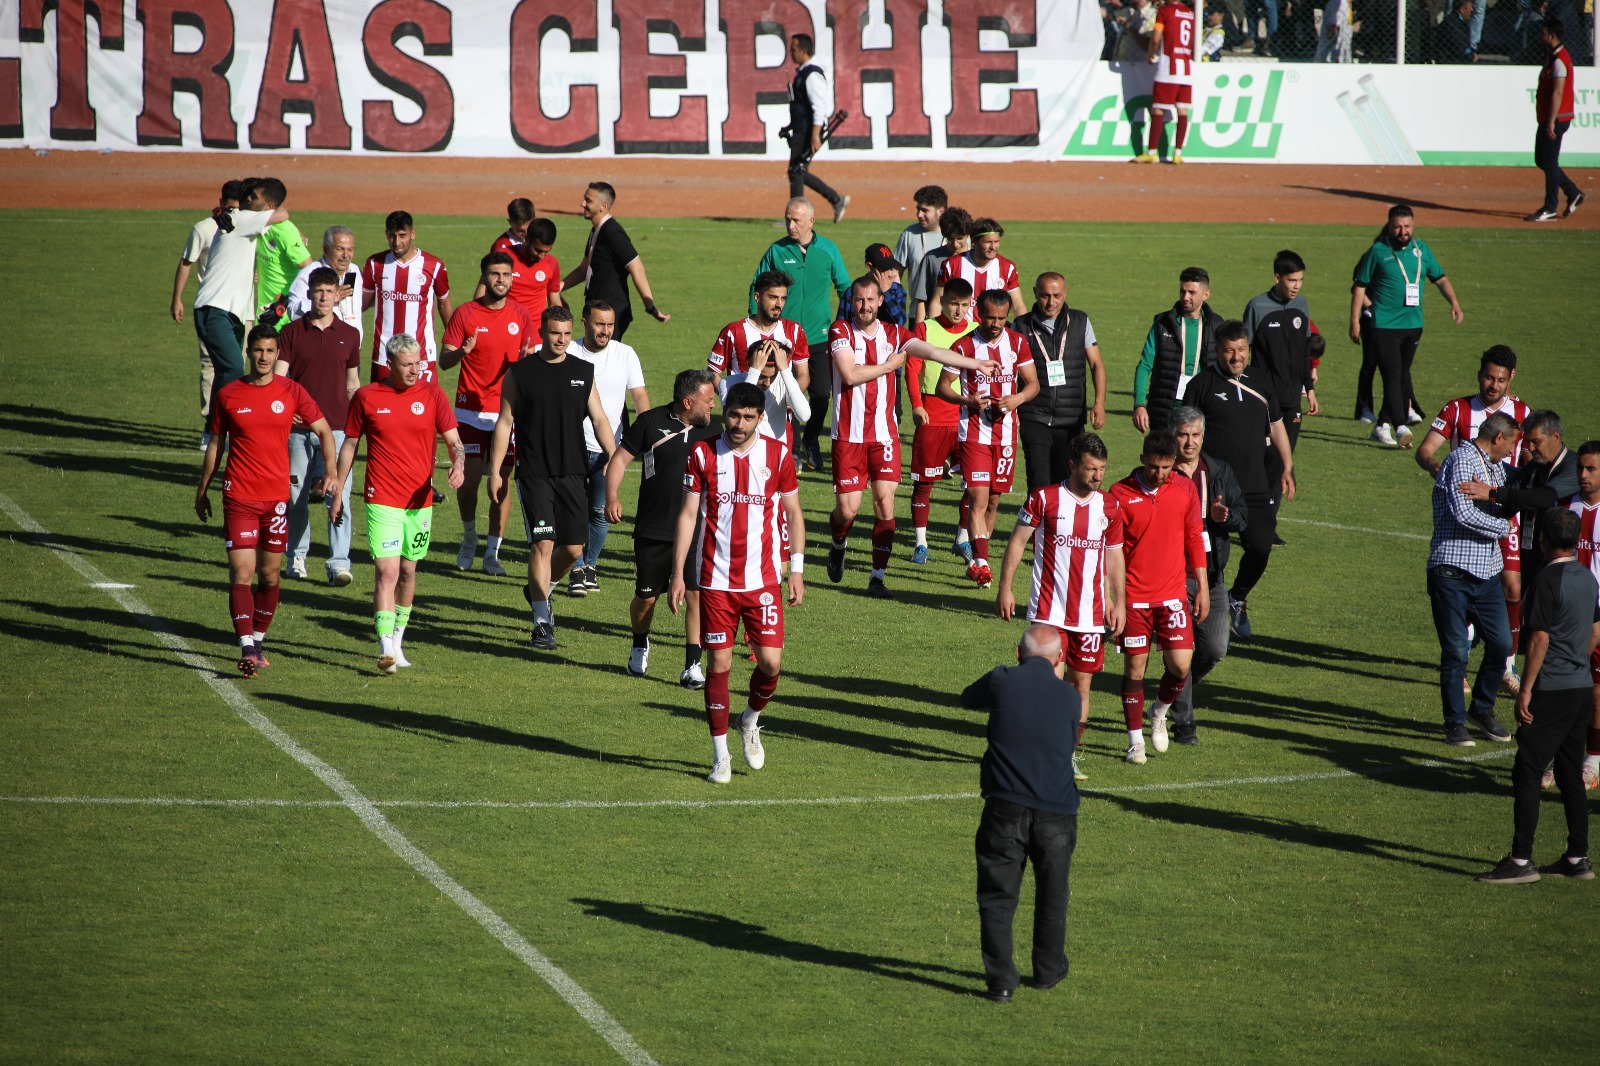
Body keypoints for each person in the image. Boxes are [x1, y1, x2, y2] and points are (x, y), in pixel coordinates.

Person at [670, 381, 806, 784]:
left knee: (771, 663)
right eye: (734, 415)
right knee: (720, 664)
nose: (740, 424)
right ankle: (721, 757)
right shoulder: (702, 453)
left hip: (763, 580)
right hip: (715, 581)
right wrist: (677, 573)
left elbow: (794, 513)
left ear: (761, 418)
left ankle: (749, 719)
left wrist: (797, 569)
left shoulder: (778, 455)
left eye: (748, 417)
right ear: (724, 412)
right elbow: (688, 515)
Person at [828, 278, 992, 597]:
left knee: (884, 504)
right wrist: (888, 365)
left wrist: (975, 363)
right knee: (847, 511)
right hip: (848, 437)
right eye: (859, 300)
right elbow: (849, 375)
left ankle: (877, 578)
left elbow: (933, 351)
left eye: (870, 300)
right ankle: (838, 544)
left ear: (880, 301)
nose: (865, 306)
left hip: (885, 438)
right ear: (853, 302)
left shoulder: (894, 334)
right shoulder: (841, 331)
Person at [194, 325, 338, 677]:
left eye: (270, 351)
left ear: (277, 354)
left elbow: (324, 430)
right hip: (239, 496)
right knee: (241, 572)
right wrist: (202, 489)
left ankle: (257, 642)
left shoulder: (291, 391)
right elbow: (216, 444)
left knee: (270, 575)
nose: (263, 357)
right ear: (249, 352)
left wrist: (332, 472)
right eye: (258, 350)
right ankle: (246, 647)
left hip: (275, 500)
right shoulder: (229, 394)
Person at [1476, 508, 1599, 884]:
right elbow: (1596, 631)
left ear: (1543, 538)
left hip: (1552, 690)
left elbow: (1540, 638)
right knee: (1569, 773)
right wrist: (1577, 661)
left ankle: (1520, 860)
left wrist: (1525, 689)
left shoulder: (1546, 579)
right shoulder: (1587, 577)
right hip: (1580, 687)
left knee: (1528, 770)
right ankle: (1577, 857)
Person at [960, 624, 1082, 1004]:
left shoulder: (1002, 679)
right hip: (1057, 812)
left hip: (1004, 808)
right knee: (1052, 895)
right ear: (1060, 659)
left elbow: (967, 698)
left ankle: (1000, 982)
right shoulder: (1071, 697)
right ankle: (1047, 970)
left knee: (997, 898)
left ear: (1018, 653)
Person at [996, 433, 1126, 780]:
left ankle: (1066, 754)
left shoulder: (1110, 507)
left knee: (1080, 687)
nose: (1098, 476)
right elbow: (1017, 542)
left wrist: (1119, 602)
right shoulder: (1044, 499)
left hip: (1090, 616)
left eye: (1102, 469)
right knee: (1045, 687)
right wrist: (1005, 589)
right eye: (1091, 469)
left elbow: (1114, 557)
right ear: (1072, 465)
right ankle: (1038, 751)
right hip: (1048, 612)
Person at [488, 306, 617, 651]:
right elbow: (504, 423)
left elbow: (600, 419)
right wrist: (496, 471)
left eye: (566, 333)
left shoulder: (582, 372)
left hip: (573, 472)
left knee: (573, 549)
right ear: (542, 333)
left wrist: (613, 455)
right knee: (542, 544)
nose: (561, 340)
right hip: (535, 473)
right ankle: (542, 623)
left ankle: (540, 590)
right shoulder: (520, 373)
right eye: (555, 333)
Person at [335, 335, 465, 674]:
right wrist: (338, 489)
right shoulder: (367, 397)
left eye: (417, 363)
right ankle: (384, 647)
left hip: (419, 504)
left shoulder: (432, 394)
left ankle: (397, 640)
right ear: (389, 364)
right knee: (388, 572)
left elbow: (454, 440)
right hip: (382, 500)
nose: (414, 370)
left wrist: (459, 464)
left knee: (408, 571)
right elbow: (349, 445)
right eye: (407, 364)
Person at [1416, 345, 1529, 691]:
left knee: (1513, 588)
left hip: (1506, 512)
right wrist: (1437, 467)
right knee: (1466, 583)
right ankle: (1461, 660)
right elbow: (1424, 450)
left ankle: (1506, 666)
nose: (1493, 385)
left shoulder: (1522, 413)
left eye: (1501, 380)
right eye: (1488, 378)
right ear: (1480, 375)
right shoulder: (1457, 409)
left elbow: (1529, 459)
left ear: (1511, 379)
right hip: (1466, 511)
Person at [1180, 321, 1295, 640]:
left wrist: (1288, 465)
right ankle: (1197, 613)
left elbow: (1276, 424)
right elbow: (1184, 432)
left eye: (1241, 350)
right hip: (1214, 486)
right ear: (1218, 351)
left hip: (1256, 485)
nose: (1236, 357)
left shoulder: (1261, 381)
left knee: (1261, 546)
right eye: (1229, 350)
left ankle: (1237, 597)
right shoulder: (1201, 385)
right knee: (1209, 555)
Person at [605, 369, 721, 686]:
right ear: (688, 402)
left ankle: (692, 665)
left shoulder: (715, 431)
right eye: (708, 400)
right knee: (646, 598)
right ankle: (639, 642)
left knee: (695, 595)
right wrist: (612, 496)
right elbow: (619, 460)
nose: (713, 405)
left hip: (698, 530)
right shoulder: (649, 422)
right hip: (653, 528)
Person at [1106, 432, 1208, 764]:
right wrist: (1113, 599)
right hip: (1134, 597)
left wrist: (1202, 586)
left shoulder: (1185, 490)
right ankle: (1135, 741)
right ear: (1142, 459)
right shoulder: (1119, 494)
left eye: (1165, 467)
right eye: (1153, 466)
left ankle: (1159, 712)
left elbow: (1194, 538)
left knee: (1181, 666)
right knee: (1135, 669)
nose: (1159, 474)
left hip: (1173, 595)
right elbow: (1111, 551)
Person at [438, 251, 534, 578]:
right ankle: (469, 538)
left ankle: (492, 553)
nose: (501, 280)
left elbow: (533, 360)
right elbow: (444, 361)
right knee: (468, 481)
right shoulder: (465, 313)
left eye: (506, 274)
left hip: (508, 414)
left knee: (501, 484)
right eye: (494, 274)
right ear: (485, 277)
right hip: (469, 413)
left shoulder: (521, 315)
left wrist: (527, 362)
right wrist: (461, 352)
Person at [938, 289, 1042, 589]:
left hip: (1006, 435)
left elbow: (1033, 384)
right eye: (990, 318)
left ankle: (977, 559)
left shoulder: (1017, 343)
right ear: (979, 314)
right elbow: (942, 386)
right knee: (978, 499)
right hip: (974, 433)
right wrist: (967, 400)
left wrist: (1016, 399)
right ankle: (982, 563)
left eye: (1001, 318)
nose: (996, 324)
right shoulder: (963, 346)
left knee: (994, 501)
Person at [1427, 411, 1519, 747]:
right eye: (1511, 444)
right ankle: (1454, 722)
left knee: (1501, 644)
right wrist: (1503, 527)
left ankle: (1481, 709)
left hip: (1487, 573)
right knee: (1455, 650)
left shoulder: (1496, 468)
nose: (1513, 451)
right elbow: (1463, 513)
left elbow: (1513, 491)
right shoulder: (1462, 461)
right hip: (1451, 571)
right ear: (1498, 437)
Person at [274, 267, 362, 586]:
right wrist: (287, 412)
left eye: (329, 291)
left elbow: (352, 384)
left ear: (338, 295)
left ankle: (339, 563)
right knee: (295, 496)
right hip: (298, 429)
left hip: (337, 429)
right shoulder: (291, 332)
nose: (323, 297)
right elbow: (279, 379)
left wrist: (356, 424)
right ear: (309, 293)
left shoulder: (350, 335)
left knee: (339, 496)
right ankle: (296, 557)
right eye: (318, 291)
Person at [1349, 205, 1464, 449]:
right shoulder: (1378, 251)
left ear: (1413, 225)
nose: (1403, 231)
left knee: (1401, 374)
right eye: (1397, 227)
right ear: (1389, 226)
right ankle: (1400, 425)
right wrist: (1355, 320)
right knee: (1392, 374)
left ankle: (1382, 425)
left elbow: (1440, 279)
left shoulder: (1421, 251)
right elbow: (1359, 285)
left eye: (1407, 226)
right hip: (1384, 326)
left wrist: (1454, 302)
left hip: (1413, 325)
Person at [750, 198, 851, 471]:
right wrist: (756, 323)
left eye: (796, 220)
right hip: (783, 336)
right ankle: (792, 451)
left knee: (821, 393)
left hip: (818, 336)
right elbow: (756, 287)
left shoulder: (828, 250)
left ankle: (810, 439)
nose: (790, 225)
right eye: (787, 219)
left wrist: (844, 324)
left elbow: (845, 288)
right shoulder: (776, 250)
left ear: (811, 221)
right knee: (787, 392)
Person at [1169, 407, 1249, 744]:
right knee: (1181, 649)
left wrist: (1223, 517)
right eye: (1183, 434)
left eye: (1196, 435)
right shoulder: (1162, 471)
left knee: (1214, 649)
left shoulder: (1218, 471)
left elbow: (1242, 517)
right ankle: (1184, 724)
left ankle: (1172, 689)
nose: (1190, 442)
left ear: (1203, 437)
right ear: (1173, 436)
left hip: (1211, 575)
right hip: (1173, 575)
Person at [568, 301, 649, 596]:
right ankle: (576, 568)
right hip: (571, 449)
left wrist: (644, 434)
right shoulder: (569, 351)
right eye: (600, 324)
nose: (606, 331)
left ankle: (590, 565)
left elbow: (639, 397)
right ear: (584, 323)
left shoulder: (625, 354)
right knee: (574, 511)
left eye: (610, 325)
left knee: (600, 511)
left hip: (610, 448)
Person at [193, 185, 291, 407]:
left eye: (254, 196)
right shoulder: (245, 218)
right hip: (216, 308)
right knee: (234, 368)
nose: (248, 199)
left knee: (224, 370)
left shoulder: (243, 222)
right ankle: (224, 422)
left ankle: (214, 425)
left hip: (229, 311)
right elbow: (284, 214)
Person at [1014, 272, 1109, 493]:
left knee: (1067, 482)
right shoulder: (1021, 325)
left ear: (1065, 293)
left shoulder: (1080, 321)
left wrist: (1099, 403)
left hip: (1070, 418)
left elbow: (1096, 364)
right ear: (1035, 293)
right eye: (1045, 295)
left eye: (1057, 295)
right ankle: (1038, 518)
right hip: (1034, 416)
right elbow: (1010, 369)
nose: (1051, 302)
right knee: (1038, 482)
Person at [907, 277, 978, 564]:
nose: (958, 311)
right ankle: (921, 544)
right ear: (942, 301)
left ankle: (962, 538)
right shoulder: (925, 328)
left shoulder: (976, 331)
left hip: (967, 419)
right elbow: (912, 369)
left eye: (964, 305)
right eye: (953, 304)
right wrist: (916, 405)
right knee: (924, 482)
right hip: (933, 414)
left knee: (973, 483)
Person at [1467, 409, 1581, 587]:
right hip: (1532, 551)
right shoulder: (1535, 466)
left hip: (1561, 556)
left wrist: (1492, 493)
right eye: (1528, 442)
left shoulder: (1574, 466)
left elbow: (1542, 497)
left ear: (1555, 437)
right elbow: (1515, 493)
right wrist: (1498, 516)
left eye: (1536, 441)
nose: (1531, 448)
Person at [171, 180, 247, 445]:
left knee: (233, 368)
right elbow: (187, 262)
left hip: (241, 309)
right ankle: (212, 426)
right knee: (214, 366)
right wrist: (177, 299)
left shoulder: (248, 224)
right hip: (212, 308)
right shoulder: (204, 228)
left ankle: (219, 426)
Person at [563, 181, 669, 342]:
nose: (582, 204)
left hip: (610, 315)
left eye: (588, 200)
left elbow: (637, 268)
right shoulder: (597, 230)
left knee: (604, 356)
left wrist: (650, 307)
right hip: (597, 311)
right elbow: (583, 270)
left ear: (603, 206)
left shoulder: (612, 232)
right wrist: (555, 287)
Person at [1240, 250, 1318, 461]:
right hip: (1266, 396)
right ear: (1277, 278)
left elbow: (1304, 351)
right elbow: (1243, 350)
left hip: (1293, 397)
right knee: (1267, 458)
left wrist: (1309, 388)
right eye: (1292, 280)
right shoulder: (1257, 307)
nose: (1297, 286)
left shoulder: (1301, 304)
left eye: (1300, 280)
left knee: (1286, 458)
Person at [362, 210, 452, 385]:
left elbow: (444, 304)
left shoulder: (433, 266)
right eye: (392, 236)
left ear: (413, 234)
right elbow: (361, 304)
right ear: (386, 235)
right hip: (384, 356)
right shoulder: (374, 264)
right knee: (382, 401)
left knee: (423, 402)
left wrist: (453, 340)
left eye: (402, 235)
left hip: (422, 356)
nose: (397, 242)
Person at [1133, 267, 1225, 437]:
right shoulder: (1163, 323)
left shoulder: (1216, 325)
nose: (1185, 297)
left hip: (1202, 408)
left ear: (1206, 294)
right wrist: (1139, 404)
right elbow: (1144, 365)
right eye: (1182, 291)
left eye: (1192, 292)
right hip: (1165, 409)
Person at [1556, 441, 1600, 790]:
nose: (1583, 475)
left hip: (1599, 619)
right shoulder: (1564, 508)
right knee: (1560, 689)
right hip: (1565, 617)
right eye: (1580, 468)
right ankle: (1554, 757)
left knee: (1596, 692)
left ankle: (1593, 759)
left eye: (1591, 469)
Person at [710, 269, 811, 403]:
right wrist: (731, 402)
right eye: (773, 297)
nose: (779, 304)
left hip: (780, 415)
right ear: (757, 297)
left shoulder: (794, 330)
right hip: (745, 412)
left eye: (783, 298)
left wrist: (789, 402)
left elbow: (803, 375)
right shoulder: (734, 332)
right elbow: (712, 372)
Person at [783, 33, 849, 223]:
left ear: (804, 51)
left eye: (793, 49)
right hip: (802, 129)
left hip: (808, 131)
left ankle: (796, 218)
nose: (790, 52)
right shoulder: (803, 73)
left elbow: (818, 107)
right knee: (798, 171)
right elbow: (801, 106)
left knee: (796, 171)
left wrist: (815, 135)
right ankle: (836, 200)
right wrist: (790, 126)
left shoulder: (812, 75)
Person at [1527, 18, 1584, 223]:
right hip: (1548, 117)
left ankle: (1550, 207)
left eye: (1543, 33)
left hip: (1556, 119)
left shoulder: (1560, 60)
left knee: (1549, 161)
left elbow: (1558, 93)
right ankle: (1573, 192)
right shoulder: (1552, 58)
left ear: (1552, 35)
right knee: (1541, 159)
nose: (1540, 37)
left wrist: (1551, 121)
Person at [250, 177, 313, 329]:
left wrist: (284, 303)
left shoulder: (284, 230)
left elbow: (310, 269)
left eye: (255, 197)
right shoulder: (253, 225)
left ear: (269, 206)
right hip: (264, 313)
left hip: (285, 316)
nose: (249, 200)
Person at [936, 218, 1026, 320]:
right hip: (959, 329)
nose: (993, 247)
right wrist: (932, 328)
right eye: (988, 242)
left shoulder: (1008, 267)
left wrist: (1023, 328)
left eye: (996, 241)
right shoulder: (951, 265)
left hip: (993, 329)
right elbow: (937, 302)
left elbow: (1017, 306)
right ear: (974, 242)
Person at [480, 212, 563, 322]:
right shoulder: (503, 257)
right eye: (538, 250)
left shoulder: (551, 263)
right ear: (527, 239)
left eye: (546, 252)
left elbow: (555, 301)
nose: (541, 256)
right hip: (504, 325)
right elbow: (482, 291)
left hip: (536, 330)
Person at [1144, 0, 1197, 164]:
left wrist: (1150, 53)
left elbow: (1156, 38)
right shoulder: (1191, 13)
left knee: (1158, 109)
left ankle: (1152, 152)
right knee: (1182, 110)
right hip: (1186, 67)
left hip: (1169, 66)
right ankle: (1178, 153)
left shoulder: (1165, 12)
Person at [286, 225, 363, 336]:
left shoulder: (356, 271)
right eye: (340, 249)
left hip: (352, 344)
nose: (346, 255)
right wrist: (329, 298)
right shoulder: (309, 273)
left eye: (350, 249)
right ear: (325, 249)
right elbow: (292, 312)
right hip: (322, 342)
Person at [1110, 0, 1157, 160]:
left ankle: (1151, 150)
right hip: (1124, 64)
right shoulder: (1128, 12)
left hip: (1144, 67)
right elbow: (1111, 17)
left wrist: (1130, 28)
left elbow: (1148, 44)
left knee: (1148, 111)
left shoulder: (1153, 15)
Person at [909, 206, 972, 324]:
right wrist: (919, 330)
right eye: (950, 239)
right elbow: (922, 299)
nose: (955, 244)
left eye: (959, 238)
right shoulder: (932, 258)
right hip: (940, 326)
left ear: (968, 234)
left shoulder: (976, 259)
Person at [839, 244, 909, 327]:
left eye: (891, 268)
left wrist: (886, 292)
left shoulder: (897, 290)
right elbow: (840, 326)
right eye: (884, 269)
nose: (890, 273)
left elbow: (900, 322)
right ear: (869, 267)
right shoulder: (853, 292)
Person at [892, 185, 946, 287]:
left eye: (925, 210)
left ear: (940, 211)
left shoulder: (956, 237)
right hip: (917, 298)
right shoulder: (909, 234)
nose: (919, 214)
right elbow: (895, 273)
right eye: (918, 209)